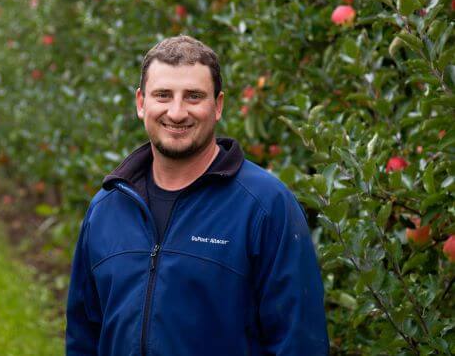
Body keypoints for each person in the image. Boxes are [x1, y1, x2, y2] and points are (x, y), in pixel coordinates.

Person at [66, 35, 329, 356]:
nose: (176, 113)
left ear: (217, 106)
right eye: (163, 95)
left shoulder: (265, 206)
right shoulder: (106, 209)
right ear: (141, 103)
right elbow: (83, 337)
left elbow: (298, 342)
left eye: (193, 97)